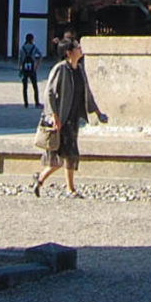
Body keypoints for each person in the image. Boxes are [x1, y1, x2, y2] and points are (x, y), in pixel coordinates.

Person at [32, 37, 107, 197]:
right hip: (62, 119)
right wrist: (54, 115)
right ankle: (69, 189)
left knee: (66, 156)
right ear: (69, 52)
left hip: (74, 118)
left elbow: (87, 93)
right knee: (69, 155)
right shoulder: (60, 69)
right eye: (77, 47)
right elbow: (49, 93)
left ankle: (41, 180)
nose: (80, 49)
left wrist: (97, 112)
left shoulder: (79, 69)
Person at [17, 34, 42, 106]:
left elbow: (20, 59)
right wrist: (37, 66)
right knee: (35, 86)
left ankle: (26, 103)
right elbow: (40, 55)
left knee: (25, 87)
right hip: (32, 69)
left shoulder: (22, 48)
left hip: (25, 69)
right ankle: (36, 102)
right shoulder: (34, 47)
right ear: (32, 39)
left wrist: (20, 68)